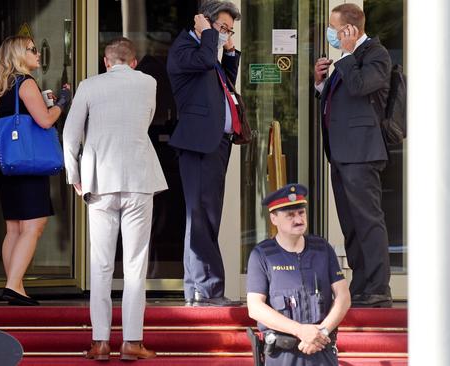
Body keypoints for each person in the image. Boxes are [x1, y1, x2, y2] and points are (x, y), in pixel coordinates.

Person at [63, 37, 167, 361]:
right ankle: (132, 342)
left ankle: (100, 342)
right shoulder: (148, 82)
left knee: (101, 263)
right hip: (138, 176)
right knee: (135, 264)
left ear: (106, 62)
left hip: (100, 179)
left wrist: (74, 176)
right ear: (133, 61)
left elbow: (70, 133)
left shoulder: (89, 85)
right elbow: (147, 119)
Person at [313, 3, 392, 307]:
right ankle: (360, 285)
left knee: (368, 221)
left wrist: (346, 55)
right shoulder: (346, 61)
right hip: (342, 152)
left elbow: (360, 87)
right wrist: (321, 84)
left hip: (362, 152)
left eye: (334, 28)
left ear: (351, 30)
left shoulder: (375, 54)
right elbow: (342, 103)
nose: (330, 34)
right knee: (351, 222)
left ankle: (377, 288)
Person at [166, 0, 242, 306]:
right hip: (198, 145)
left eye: (229, 31)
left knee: (206, 217)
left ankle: (201, 289)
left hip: (215, 144)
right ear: (205, 23)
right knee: (201, 217)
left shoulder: (207, 54)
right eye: (222, 28)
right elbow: (206, 61)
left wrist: (232, 51)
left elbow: (224, 80)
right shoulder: (185, 50)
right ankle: (206, 289)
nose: (224, 35)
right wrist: (209, 35)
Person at [0, 35, 71, 306]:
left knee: (14, 228)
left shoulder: (3, 86)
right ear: (20, 55)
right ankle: (13, 285)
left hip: (6, 163)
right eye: (32, 50)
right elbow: (45, 122)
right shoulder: (26, 83)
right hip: (27, 164)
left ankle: (15, 285)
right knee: (33, 226)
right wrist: (62, 103)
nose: (38, 54)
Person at [246, 183, 351, 366]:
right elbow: (255, 307)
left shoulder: (323, 249)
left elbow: (343, 296)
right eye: (290, 215)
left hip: (321, 349)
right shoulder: (262, 255)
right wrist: (300, 331)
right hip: (282, 355)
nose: (298, 219)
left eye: (301, 213)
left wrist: (322, 332)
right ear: (274, 219)